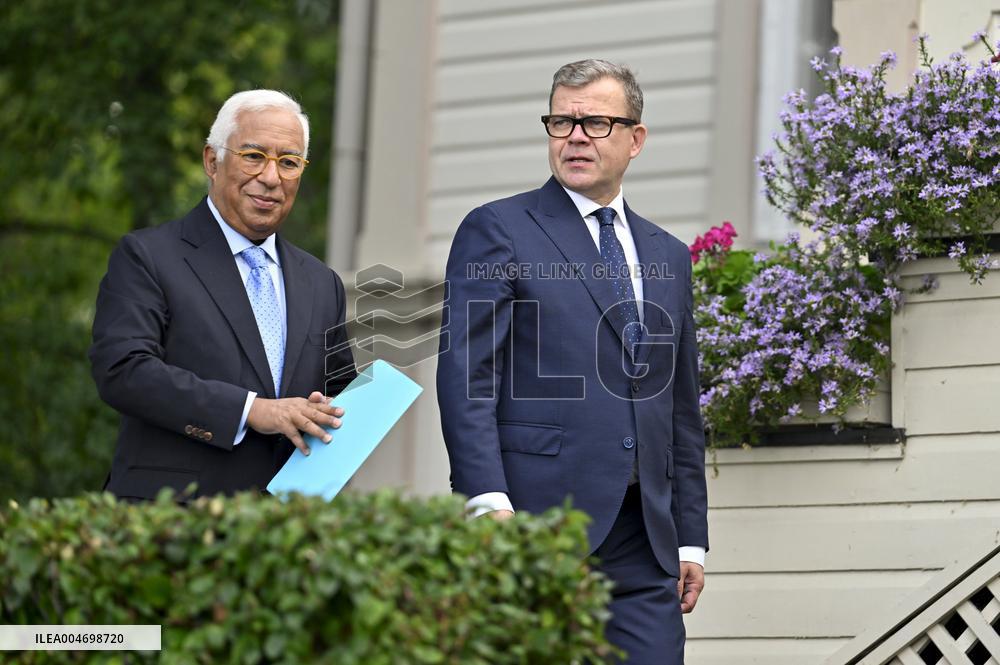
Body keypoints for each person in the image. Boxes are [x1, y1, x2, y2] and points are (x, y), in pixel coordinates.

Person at [436, 60, 708, 663]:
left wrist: (692, 538)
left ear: (636, 139)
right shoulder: (497, 229)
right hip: (538, 525)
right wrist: (487, 499)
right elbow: (466, 376)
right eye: (563, 120)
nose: (576, 136)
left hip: (647, 542)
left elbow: (680, 404)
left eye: (597, 123)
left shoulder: (669, 253)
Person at [90, 89, 356, 500]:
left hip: (287, 530)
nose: (271, 178)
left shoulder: (322, 283)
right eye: (253, 156)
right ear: (212, 161)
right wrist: (252, 411)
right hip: (172, 520)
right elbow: (123, 371)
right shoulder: (148, 256)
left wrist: (334, 412)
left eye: (288, 163)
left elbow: (340, 398)